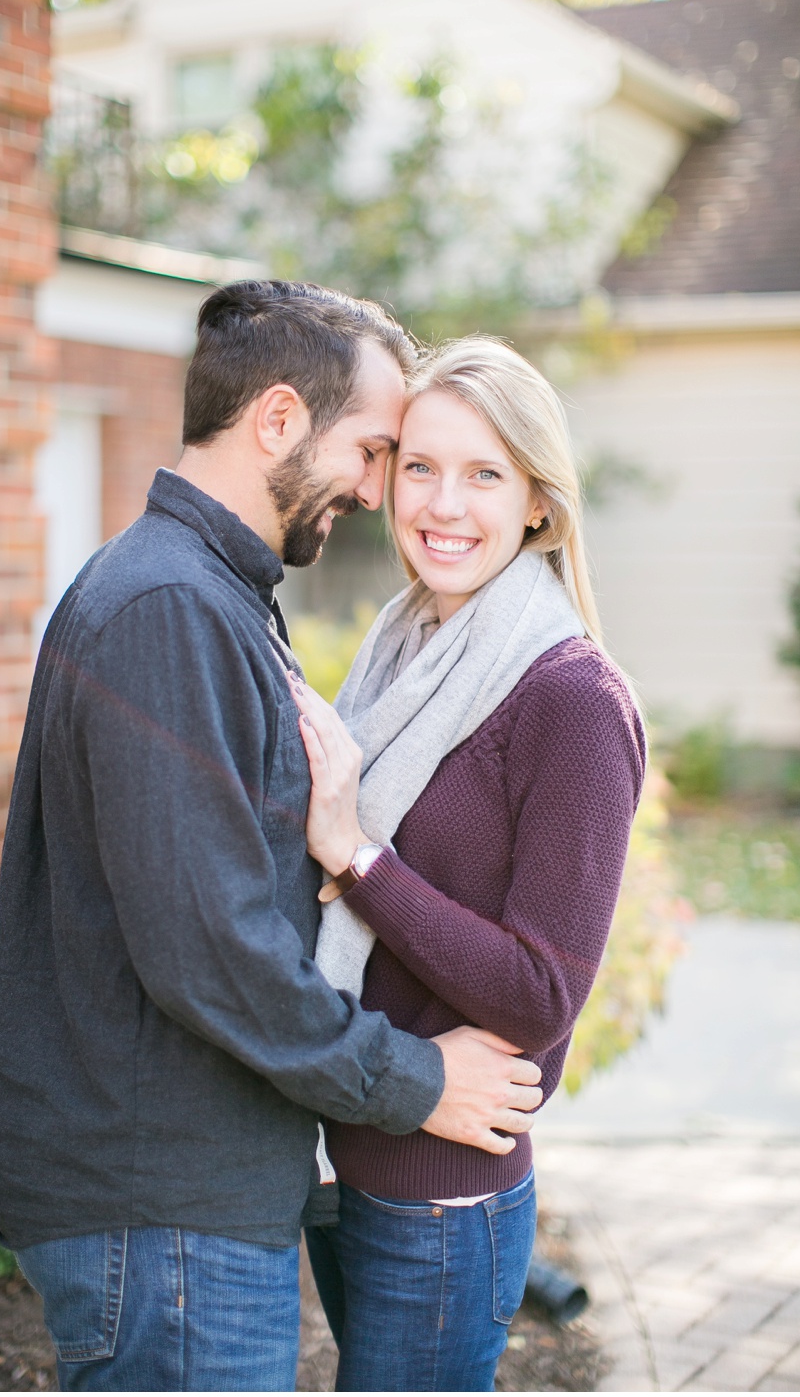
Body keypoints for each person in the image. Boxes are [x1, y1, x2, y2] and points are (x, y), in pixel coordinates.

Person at [0, 281, 551, 1392]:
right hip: (160, 1214)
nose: (382, 489)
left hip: (182, 1208)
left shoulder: (209, 595)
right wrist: (413, 1079)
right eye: (376, 450)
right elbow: (214, 953)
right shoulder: (168, 609)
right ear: (278, 420)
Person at [286, 338, 644, 1391]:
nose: (443, 503)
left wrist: (356, 853)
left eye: (484, 473)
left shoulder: (568, 698)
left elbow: (540, 993)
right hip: (352, 1154)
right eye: (421, 466)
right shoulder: (401, 647)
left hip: (442, 1197)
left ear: (537, 500)